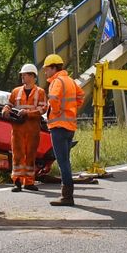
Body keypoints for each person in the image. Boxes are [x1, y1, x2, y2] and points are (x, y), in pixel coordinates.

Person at [41, 53, 82, 206]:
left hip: (58, 126)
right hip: (70, 126)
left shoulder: (56, 81)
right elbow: (80, 96)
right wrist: (71, 110)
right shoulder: (70, 81)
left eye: (47, 69)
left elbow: (53, 99)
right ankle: (67, 195)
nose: (45, 72)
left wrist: (57, 112)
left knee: (62, 162)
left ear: (54, 68)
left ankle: (67, 196)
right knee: (66, 161)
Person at [2, 63, 47, 192]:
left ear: (32, 76)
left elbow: (43, 109)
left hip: (32, 129)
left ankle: (29, 182)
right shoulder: (16, 91)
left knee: (31, 155)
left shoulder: (40, 92)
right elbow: (9, 104)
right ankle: (17, 181)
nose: (22, 77)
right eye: (22, 75)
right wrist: (5, 110)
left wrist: (28, 113)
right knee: (17, 155)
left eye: (25, 75)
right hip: (18, 129)